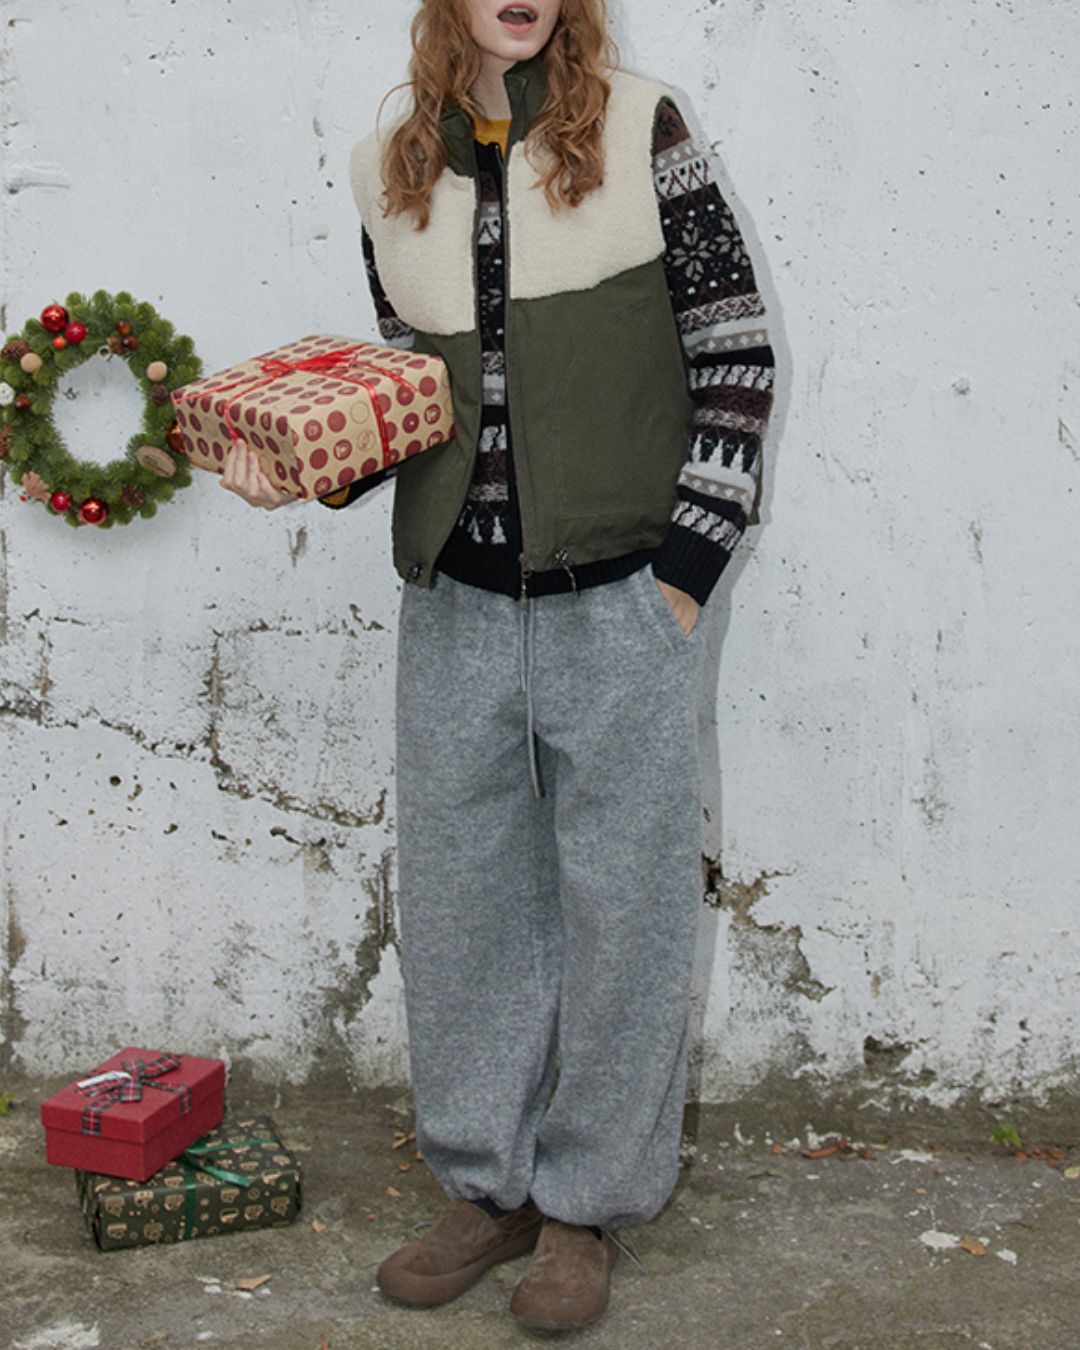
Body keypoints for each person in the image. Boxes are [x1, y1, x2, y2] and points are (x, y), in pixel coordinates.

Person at [221, 0, 776, 1332]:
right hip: (456, 605)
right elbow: (410, 403)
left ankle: (587, 1205)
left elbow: (737, 355)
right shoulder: (387, 166)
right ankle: (488, 1184)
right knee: (464, 907)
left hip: (622, 598)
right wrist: (302, 469)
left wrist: (684, 578)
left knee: (627, 911)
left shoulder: (644, 128)